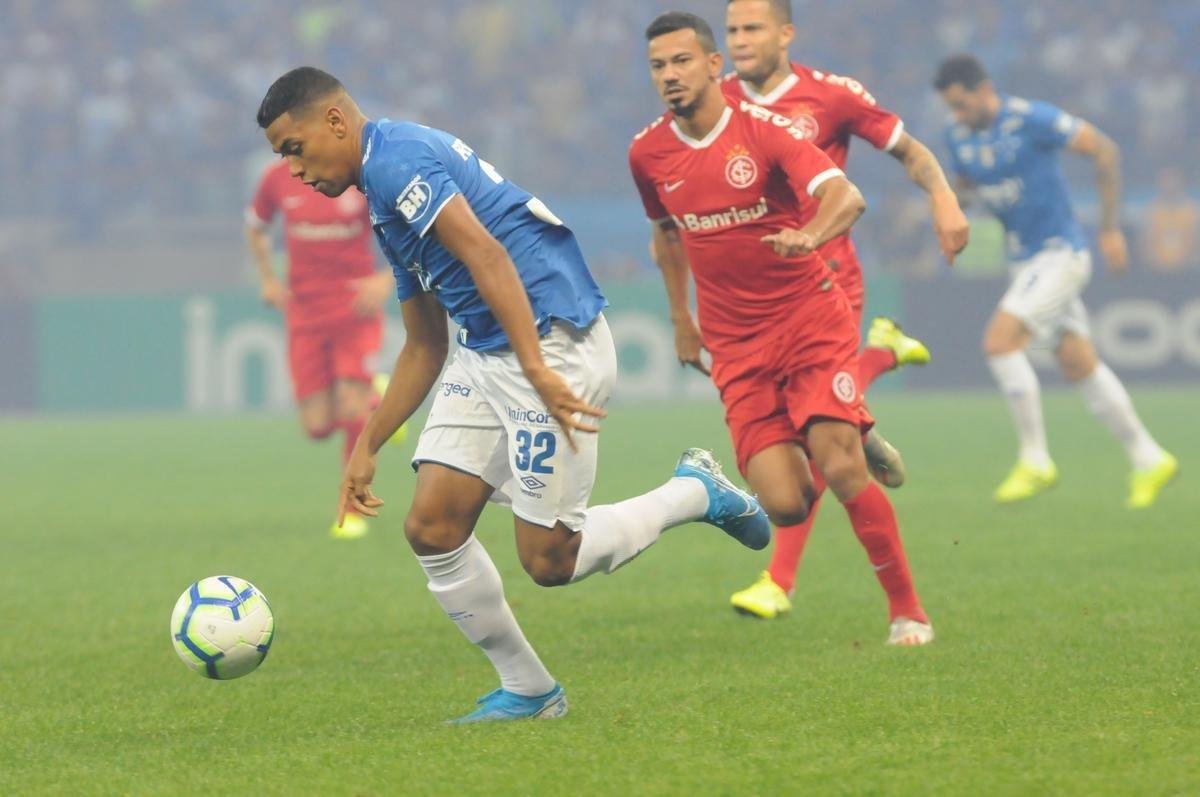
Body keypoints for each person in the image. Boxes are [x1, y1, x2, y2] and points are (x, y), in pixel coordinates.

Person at [256, 66, 771, 723]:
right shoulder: (381, 198)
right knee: (433, 526)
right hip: (485, 346)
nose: (292, 170)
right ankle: (529, 689)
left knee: (550, 560)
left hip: (550, 337)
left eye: (292, 149)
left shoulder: (398, 161)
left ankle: (696, 491)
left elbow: (490, 256)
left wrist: (535, 367)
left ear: (333, 122)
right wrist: (367, 445)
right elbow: (423, 344)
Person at [629, 13, 933, 645]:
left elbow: (847, 197)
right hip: (735, 344)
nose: (669, 76)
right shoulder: (647, 153)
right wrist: (681, 319)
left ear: (715, 67)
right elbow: (665, 236)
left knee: (840, 467)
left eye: (682, 61)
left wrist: (810, 235)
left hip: (806, 320)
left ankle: (908, 611)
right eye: (658, 66)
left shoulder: (764, 132)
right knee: (785, 503)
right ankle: (864, 392)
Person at [714, 0, 970, 619]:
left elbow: (911, 152)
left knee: (821, 445)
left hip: (827, 281)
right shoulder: (714, 104)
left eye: (753, 28)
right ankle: (880, 357)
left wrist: (944, 200)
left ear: (785, 34)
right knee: (806, 446)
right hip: (756, 304)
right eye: (732, 30)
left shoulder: (832, 96)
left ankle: (782, 580)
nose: (741, 40)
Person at [933, 54, 1178, 508]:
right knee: (1077, 361)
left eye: (964, 104)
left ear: (985, 89)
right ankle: (1149, 457)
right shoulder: (958, 136)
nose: (959, 115)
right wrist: (951, 209)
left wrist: (1109, 229)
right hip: (1023, 261)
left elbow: (1105, 151)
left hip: (1061, 252)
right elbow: (967, 185)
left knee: (1000, 342)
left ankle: (1035, 459)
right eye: (953, 108)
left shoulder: (1032, 119)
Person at [246, 158, 396, 540]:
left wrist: (384, 278)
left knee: (350, 408)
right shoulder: (276, 178)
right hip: (305, 312)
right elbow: (255, 226)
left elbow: (402, 227)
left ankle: (352, 509)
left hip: (354, 307)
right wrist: (267, 279)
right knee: (317, 427)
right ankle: (378, 400)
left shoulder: (352, 174)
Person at [1142, 170, 1198, 273]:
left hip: (1187, 273)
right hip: (1157, 273)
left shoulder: (1191, 212)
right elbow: (1145, 245)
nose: (1170, 185)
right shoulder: (1152, 212)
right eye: (1166, 181)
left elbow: (1196, 244)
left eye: (1173, 181)